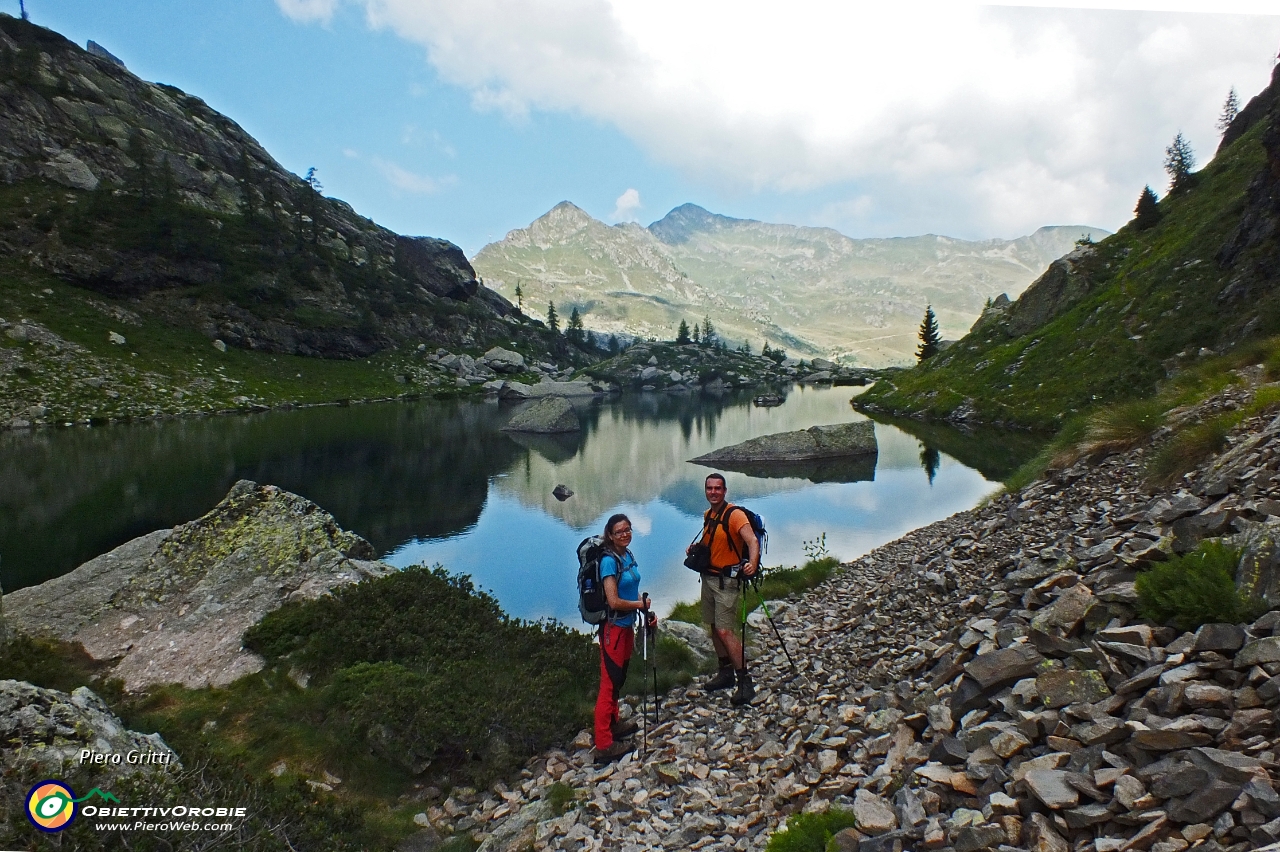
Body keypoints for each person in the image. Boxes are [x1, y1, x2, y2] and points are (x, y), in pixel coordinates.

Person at [689, 473, 760, 705]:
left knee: (725, 631)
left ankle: (745, 681)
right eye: (709, 488)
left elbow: (752, 541)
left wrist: (753, 564)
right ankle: (725, 672)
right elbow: (714, 543)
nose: (713, 492)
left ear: (725, 490)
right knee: (713, 627)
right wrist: (697, 548)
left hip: (726, 582)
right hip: (708, 578)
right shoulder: (709, 514)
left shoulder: (735, 515)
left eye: (717, 488)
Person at [595, 513, 658, 763]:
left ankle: (613, 723)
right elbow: (613, 601)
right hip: (613, 629)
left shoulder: (627, 555)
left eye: (628, 530)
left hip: (626, 625)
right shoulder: (609, 562)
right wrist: (639, 605)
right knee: (608, 683)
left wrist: (641, 609)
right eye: (619, 531)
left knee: (617, 678)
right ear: (610, 535)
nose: (625, 534)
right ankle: (603, 744)